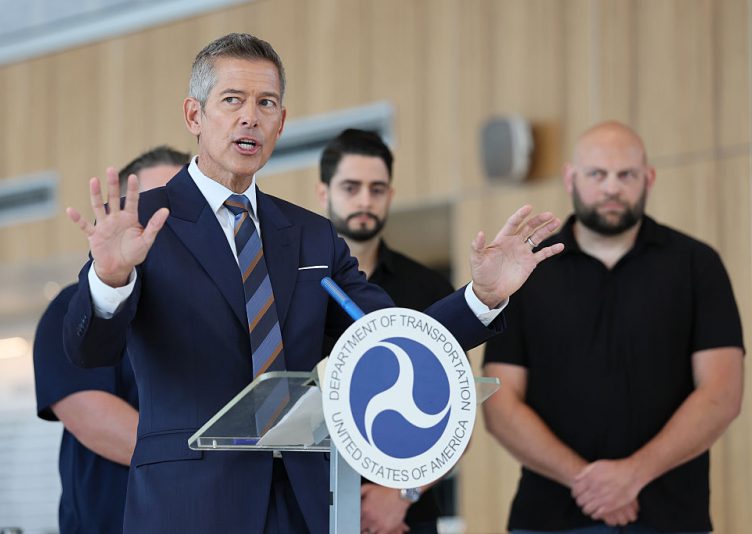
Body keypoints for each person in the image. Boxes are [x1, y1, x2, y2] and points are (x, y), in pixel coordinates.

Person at [62, 33, 563, 533]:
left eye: (267, 103)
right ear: (194, 116)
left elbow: (390, 337)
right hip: (189, 503)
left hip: (302, 503)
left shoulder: (309, 235)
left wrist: (483, 297)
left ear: (281, 123)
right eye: (232, 100)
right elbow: (89, 351)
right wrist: (109, 278)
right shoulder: (144, 223)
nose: (250, 118)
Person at [482, 121, 744, 534]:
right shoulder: (529, 274)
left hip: (673, 518)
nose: (611, 189)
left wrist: (633, 474)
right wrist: (586, 482)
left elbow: (722, 393)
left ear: (649, 178)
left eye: (626, 175)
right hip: (548, 519)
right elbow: (499, 403)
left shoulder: (697, 265)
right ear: (571, 178)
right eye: (597, 175)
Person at [33, 146, 190, 533]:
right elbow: (94, 417)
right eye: (155, 205)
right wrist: (208, 463)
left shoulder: (207, 313)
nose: (167, 220)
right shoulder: (75, 306)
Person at [317, 129, 454, 534]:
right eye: (350, 187)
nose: (364, 200)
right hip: (309, 507)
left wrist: (400, 494)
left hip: (406, 517)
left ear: (390, 195)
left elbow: (457, 412)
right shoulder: (292, 286)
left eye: (377, 189)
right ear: (323, 193)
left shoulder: (429, 289)